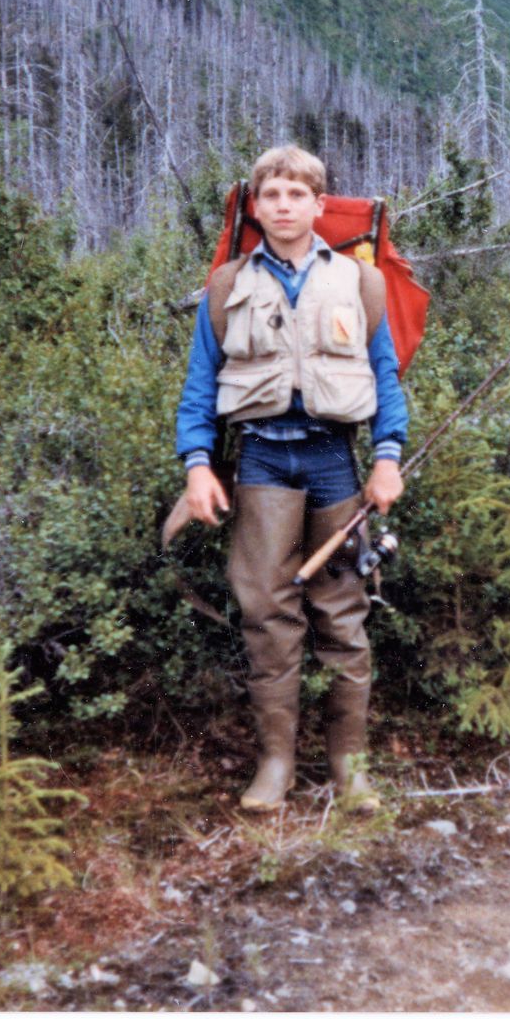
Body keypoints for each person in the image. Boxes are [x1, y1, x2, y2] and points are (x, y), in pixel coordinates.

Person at [175, 145, 408, 812]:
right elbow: (199, 388)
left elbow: (385, 376)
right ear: (255, 206)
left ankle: (349, 768)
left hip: (335, 462)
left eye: (297, 195)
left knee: (343, 614)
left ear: (318, 204)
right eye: (271, 195)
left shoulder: (360, 283)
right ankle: (275, 763)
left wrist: (387, 457)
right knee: (266, 616)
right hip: (261, 463)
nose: (283, 206)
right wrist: (198, 467)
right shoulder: (227, 287)